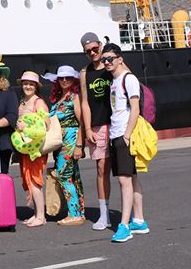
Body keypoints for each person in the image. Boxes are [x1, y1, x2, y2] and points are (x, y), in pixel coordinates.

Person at [101, 43, 149, 243]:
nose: (106, 63)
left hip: (123, 135)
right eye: (104, 60)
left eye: (110, 58)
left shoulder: (128, 79)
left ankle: (124, 226)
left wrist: (127, 136)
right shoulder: (115, 81)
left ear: (120, 59)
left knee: (124, 180)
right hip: (116, 134)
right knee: (132, 178)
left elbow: (135, 109)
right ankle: (139, 221)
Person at [79, 31, 113, 230]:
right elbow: (85, 102)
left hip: (116, 123)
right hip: (98, 125)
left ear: (100, 45)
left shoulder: (111, 66)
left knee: (127, 170)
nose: (92, 53)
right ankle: (104, 214)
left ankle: (135, 213)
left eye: (95, 48)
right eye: (88, 51)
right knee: (101, 169)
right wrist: (87, 129)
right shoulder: (85, 72)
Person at [45, 65, 85, 226]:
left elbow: (82, 122)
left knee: (63, 175)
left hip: (70, 139)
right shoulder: (57, 100)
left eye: (67, 77)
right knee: (72, 176)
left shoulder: (74, 97)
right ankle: (78, 212)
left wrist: (79, 146)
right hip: (60, 142)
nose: (64, 80)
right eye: (61, 78)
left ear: (73, 79)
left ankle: (74, 214)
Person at [13, 71, 49, 228]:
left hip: (36, 147)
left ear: (36, 86)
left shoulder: (38, 102)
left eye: (31, 84)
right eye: (25, 83)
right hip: (26, 146)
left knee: (35, 180)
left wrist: (26, 127)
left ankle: (41, 216)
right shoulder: (22, 101)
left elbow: (46, 124)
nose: (28, 86)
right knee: (29, 179)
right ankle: (36, 214)